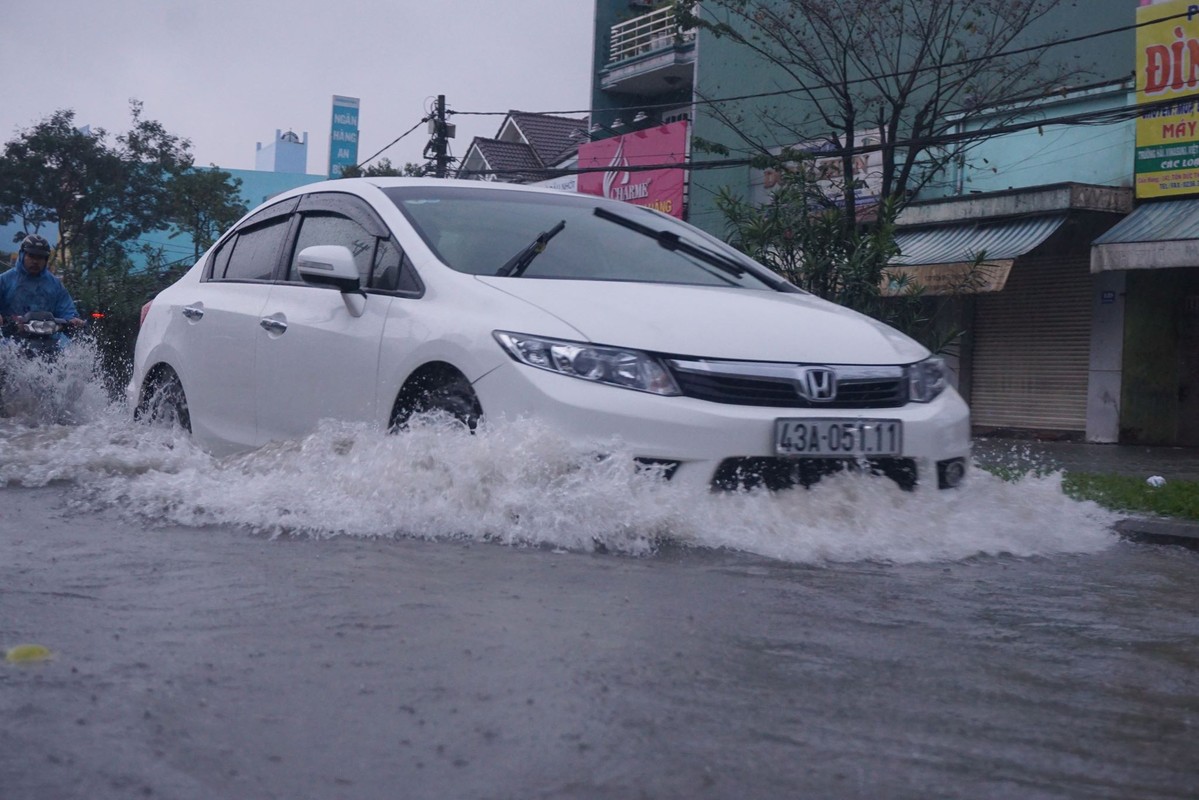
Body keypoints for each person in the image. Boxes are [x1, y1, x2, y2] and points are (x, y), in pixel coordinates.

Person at [0, 235, 85, 336]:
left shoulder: (55, 285)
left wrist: (74, 320)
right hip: (9, 342)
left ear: (46, 259)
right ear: (22, 254)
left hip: (48, 343)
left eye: (40, 257)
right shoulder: (5, 280)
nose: (35, 261)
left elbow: (67, 309)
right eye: (31, 256)